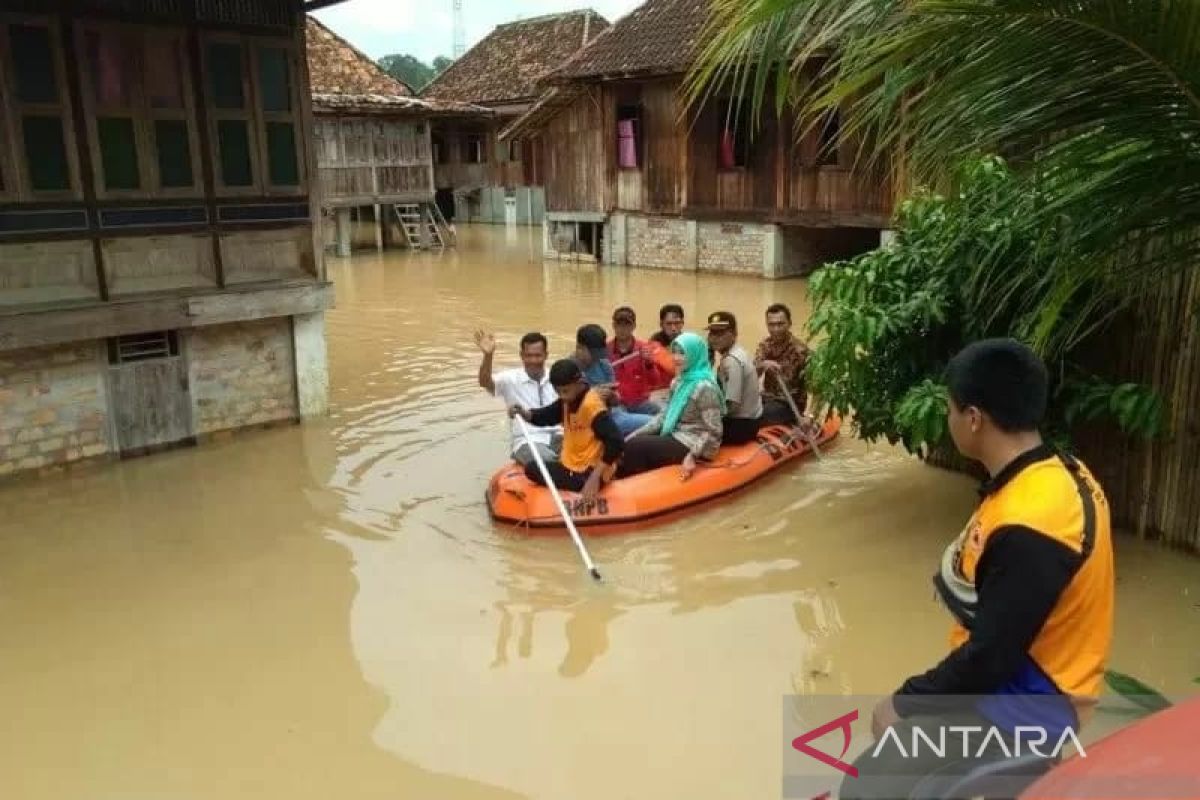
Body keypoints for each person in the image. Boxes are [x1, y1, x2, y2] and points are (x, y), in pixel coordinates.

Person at [841, 339, 1114, 800]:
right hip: (1026, 678)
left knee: (868, 780)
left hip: (1029, 706)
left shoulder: (1032, 521)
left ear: (973, 418)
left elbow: (991, 658)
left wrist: (905, 700)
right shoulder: (1058, 471)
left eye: (949, 410)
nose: (948, 421)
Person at [507, 359, 623, 505]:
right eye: (558, 391)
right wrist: (525, 413)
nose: (562, 396)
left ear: (578, 382)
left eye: (565, 391)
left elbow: (616, 442)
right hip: (575, 464)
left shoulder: (591, 406)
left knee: (532, 468)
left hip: (588, 472)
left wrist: (594, 478)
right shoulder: (569, 399)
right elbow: (548, 414)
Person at [619, 332, 724, 479]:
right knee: (630, 441)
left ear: (694, 354)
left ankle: (634, 487)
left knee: (636, 447)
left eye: (683, 353)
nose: (676, 358)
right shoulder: (679, 381)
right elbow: (665, 415)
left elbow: (714, 430)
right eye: (674, 352)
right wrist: (636, 433)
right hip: (676, 431)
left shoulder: (704, 387)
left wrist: (692, 456)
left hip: (692, 440)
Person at [475, 329, 561, 466]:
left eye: (538, 355)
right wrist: (488, 356)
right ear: (521, 355)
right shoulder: (510, 378)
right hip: (528, 440)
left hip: (558, 436)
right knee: (548, 462)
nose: (533, 361)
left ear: (546, 355)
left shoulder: (557, 377)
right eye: (529, 356)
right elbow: (485, 382)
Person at [574, 323, 653, 437]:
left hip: (614, 414)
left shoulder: (604, 364)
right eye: (593, 353)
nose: (597, 357)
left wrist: (613, 396)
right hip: (590, 421)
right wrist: (593, 394)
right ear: (579, 348)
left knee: (656, 422)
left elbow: (616, 401)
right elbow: (568, 405)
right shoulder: (569, 368)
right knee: (652, 423)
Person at [705, 311, 763, 445]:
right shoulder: (738, 351)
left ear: (733, 334)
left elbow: (732, 405)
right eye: (712, 333)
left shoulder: (732, 361)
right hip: (749, 421)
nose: (714, 338)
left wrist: (708, 416)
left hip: (740, 426)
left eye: (720, 333)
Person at [607, 306, 675, 416]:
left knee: (665, 416)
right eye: (619, 324)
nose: (623, 328)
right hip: (617, 405)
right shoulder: (605, 350)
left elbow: (654, 382)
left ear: (634, 326)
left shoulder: (645, 348)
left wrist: (649, 364)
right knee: (618, 417)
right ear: (614, 326)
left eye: (627, 324)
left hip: (640, 403)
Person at [754, 303, 811, 425]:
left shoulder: (800, 350)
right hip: (767, 398)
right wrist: (763, 365)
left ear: (789, 323)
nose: (776, 329)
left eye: (780, 324)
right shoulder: (765, 345)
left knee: (757, 416)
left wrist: (810, 415)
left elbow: (817, 388)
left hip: (790, 404)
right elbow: (752, 374)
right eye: (771, 325)